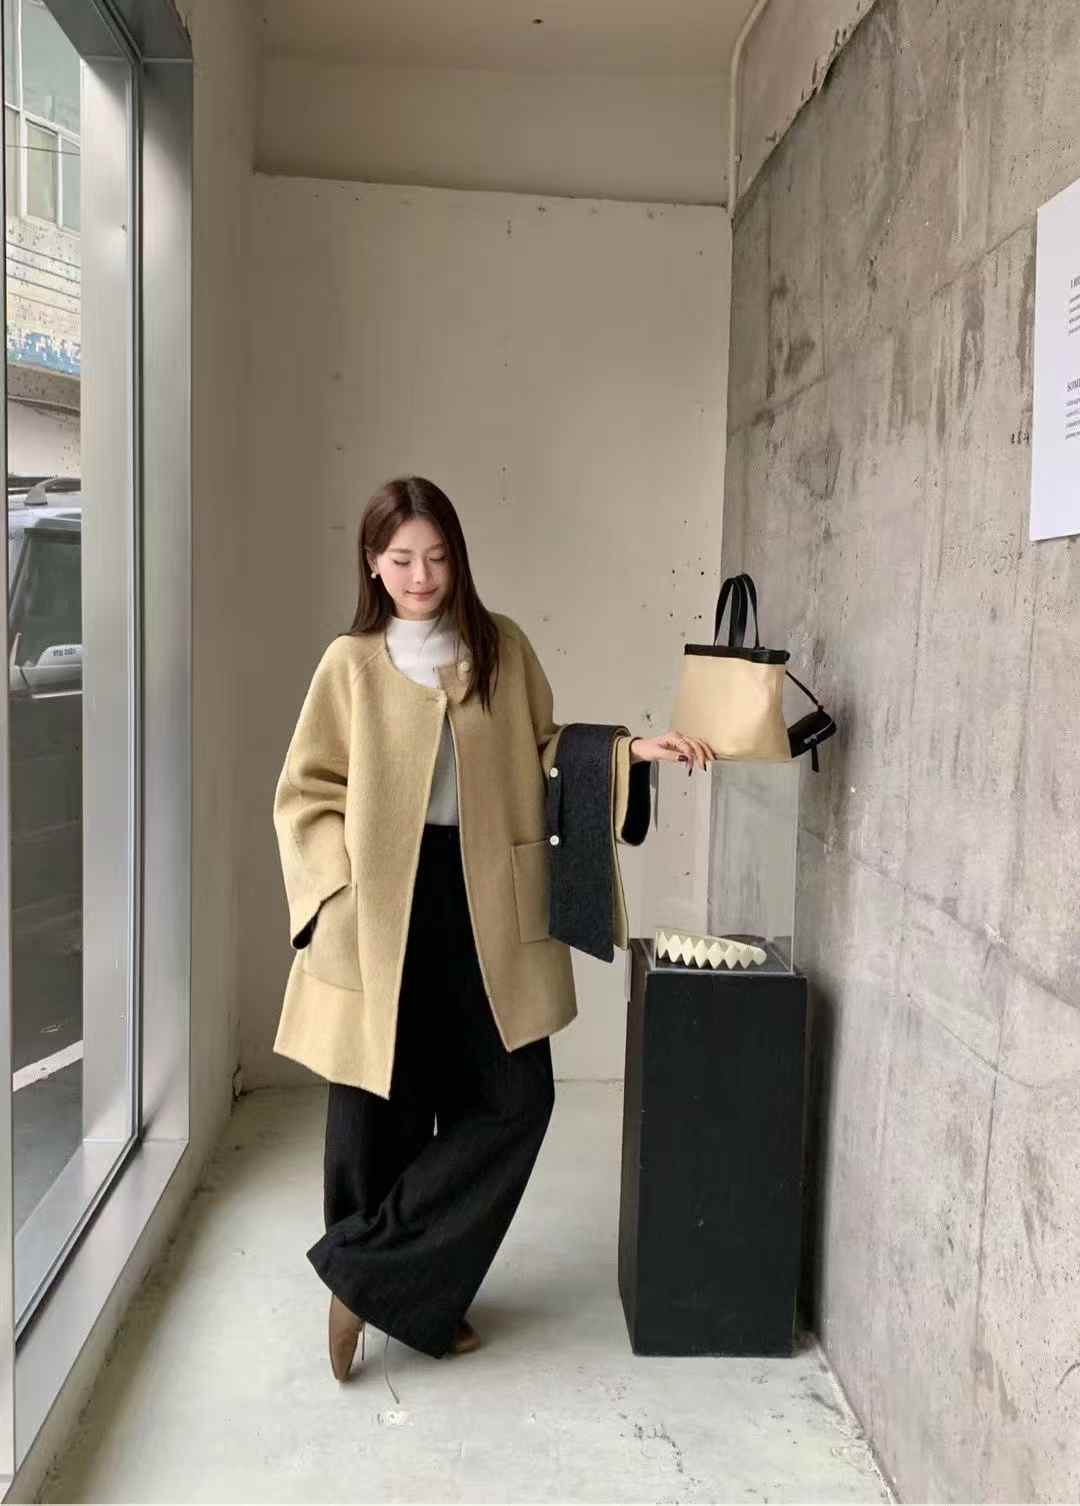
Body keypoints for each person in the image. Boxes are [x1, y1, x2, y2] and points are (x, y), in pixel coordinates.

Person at [271, 475, 715, 1396]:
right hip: (380, 901)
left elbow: (548, 751)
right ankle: (405, 1284)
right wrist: (333, 893)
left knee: (515, 1098)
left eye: (436, 557)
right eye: (401, 559)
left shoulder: (500, 648)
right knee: (379, 1101)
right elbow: (305, 792)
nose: (420, 576)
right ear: (373, 564)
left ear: (458, 558)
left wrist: (629, 754)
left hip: (484, 897)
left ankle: (370, 1277)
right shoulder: (348, 664)